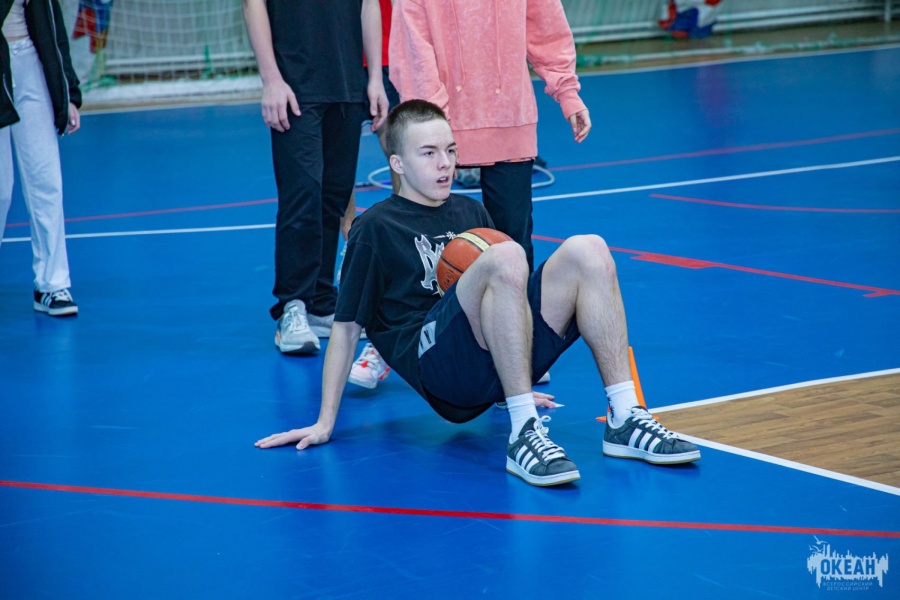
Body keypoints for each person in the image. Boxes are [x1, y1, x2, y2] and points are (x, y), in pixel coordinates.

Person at [255, 101, 700, 487]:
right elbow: (347, 328)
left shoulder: (470, 210)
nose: (445, 164)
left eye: (450, 151)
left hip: (486, 364)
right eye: (429, 153)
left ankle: (624, 416)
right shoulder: (375, 227)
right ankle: (524, 431)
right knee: (505, 256)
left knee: (590, 249)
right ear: (397, 164)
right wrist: (325, 421)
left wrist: (511, 383)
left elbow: (502, 300)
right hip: (440, 372)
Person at [389, 0, 592, 274]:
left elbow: (546, 28)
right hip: (439, 128)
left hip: (509, 120)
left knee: (513, 246)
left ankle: (515, 303)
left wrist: (567, 93)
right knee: (427, 243)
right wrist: (435, 125)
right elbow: (414, 49)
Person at [242, 0, 388, 354]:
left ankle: (321, 302)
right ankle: (292, 305)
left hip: (347, 84)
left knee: (334, 195)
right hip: (295, 87)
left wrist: (373, 78)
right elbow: (252, 4)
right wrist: (271, 80)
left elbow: (368, 5)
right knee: (302, 194)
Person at [1, 0, 82, 317]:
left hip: (30, 61)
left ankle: (52, 284)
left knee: (46, 179)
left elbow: (51, 21)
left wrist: (67, 90)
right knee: (1, 189)